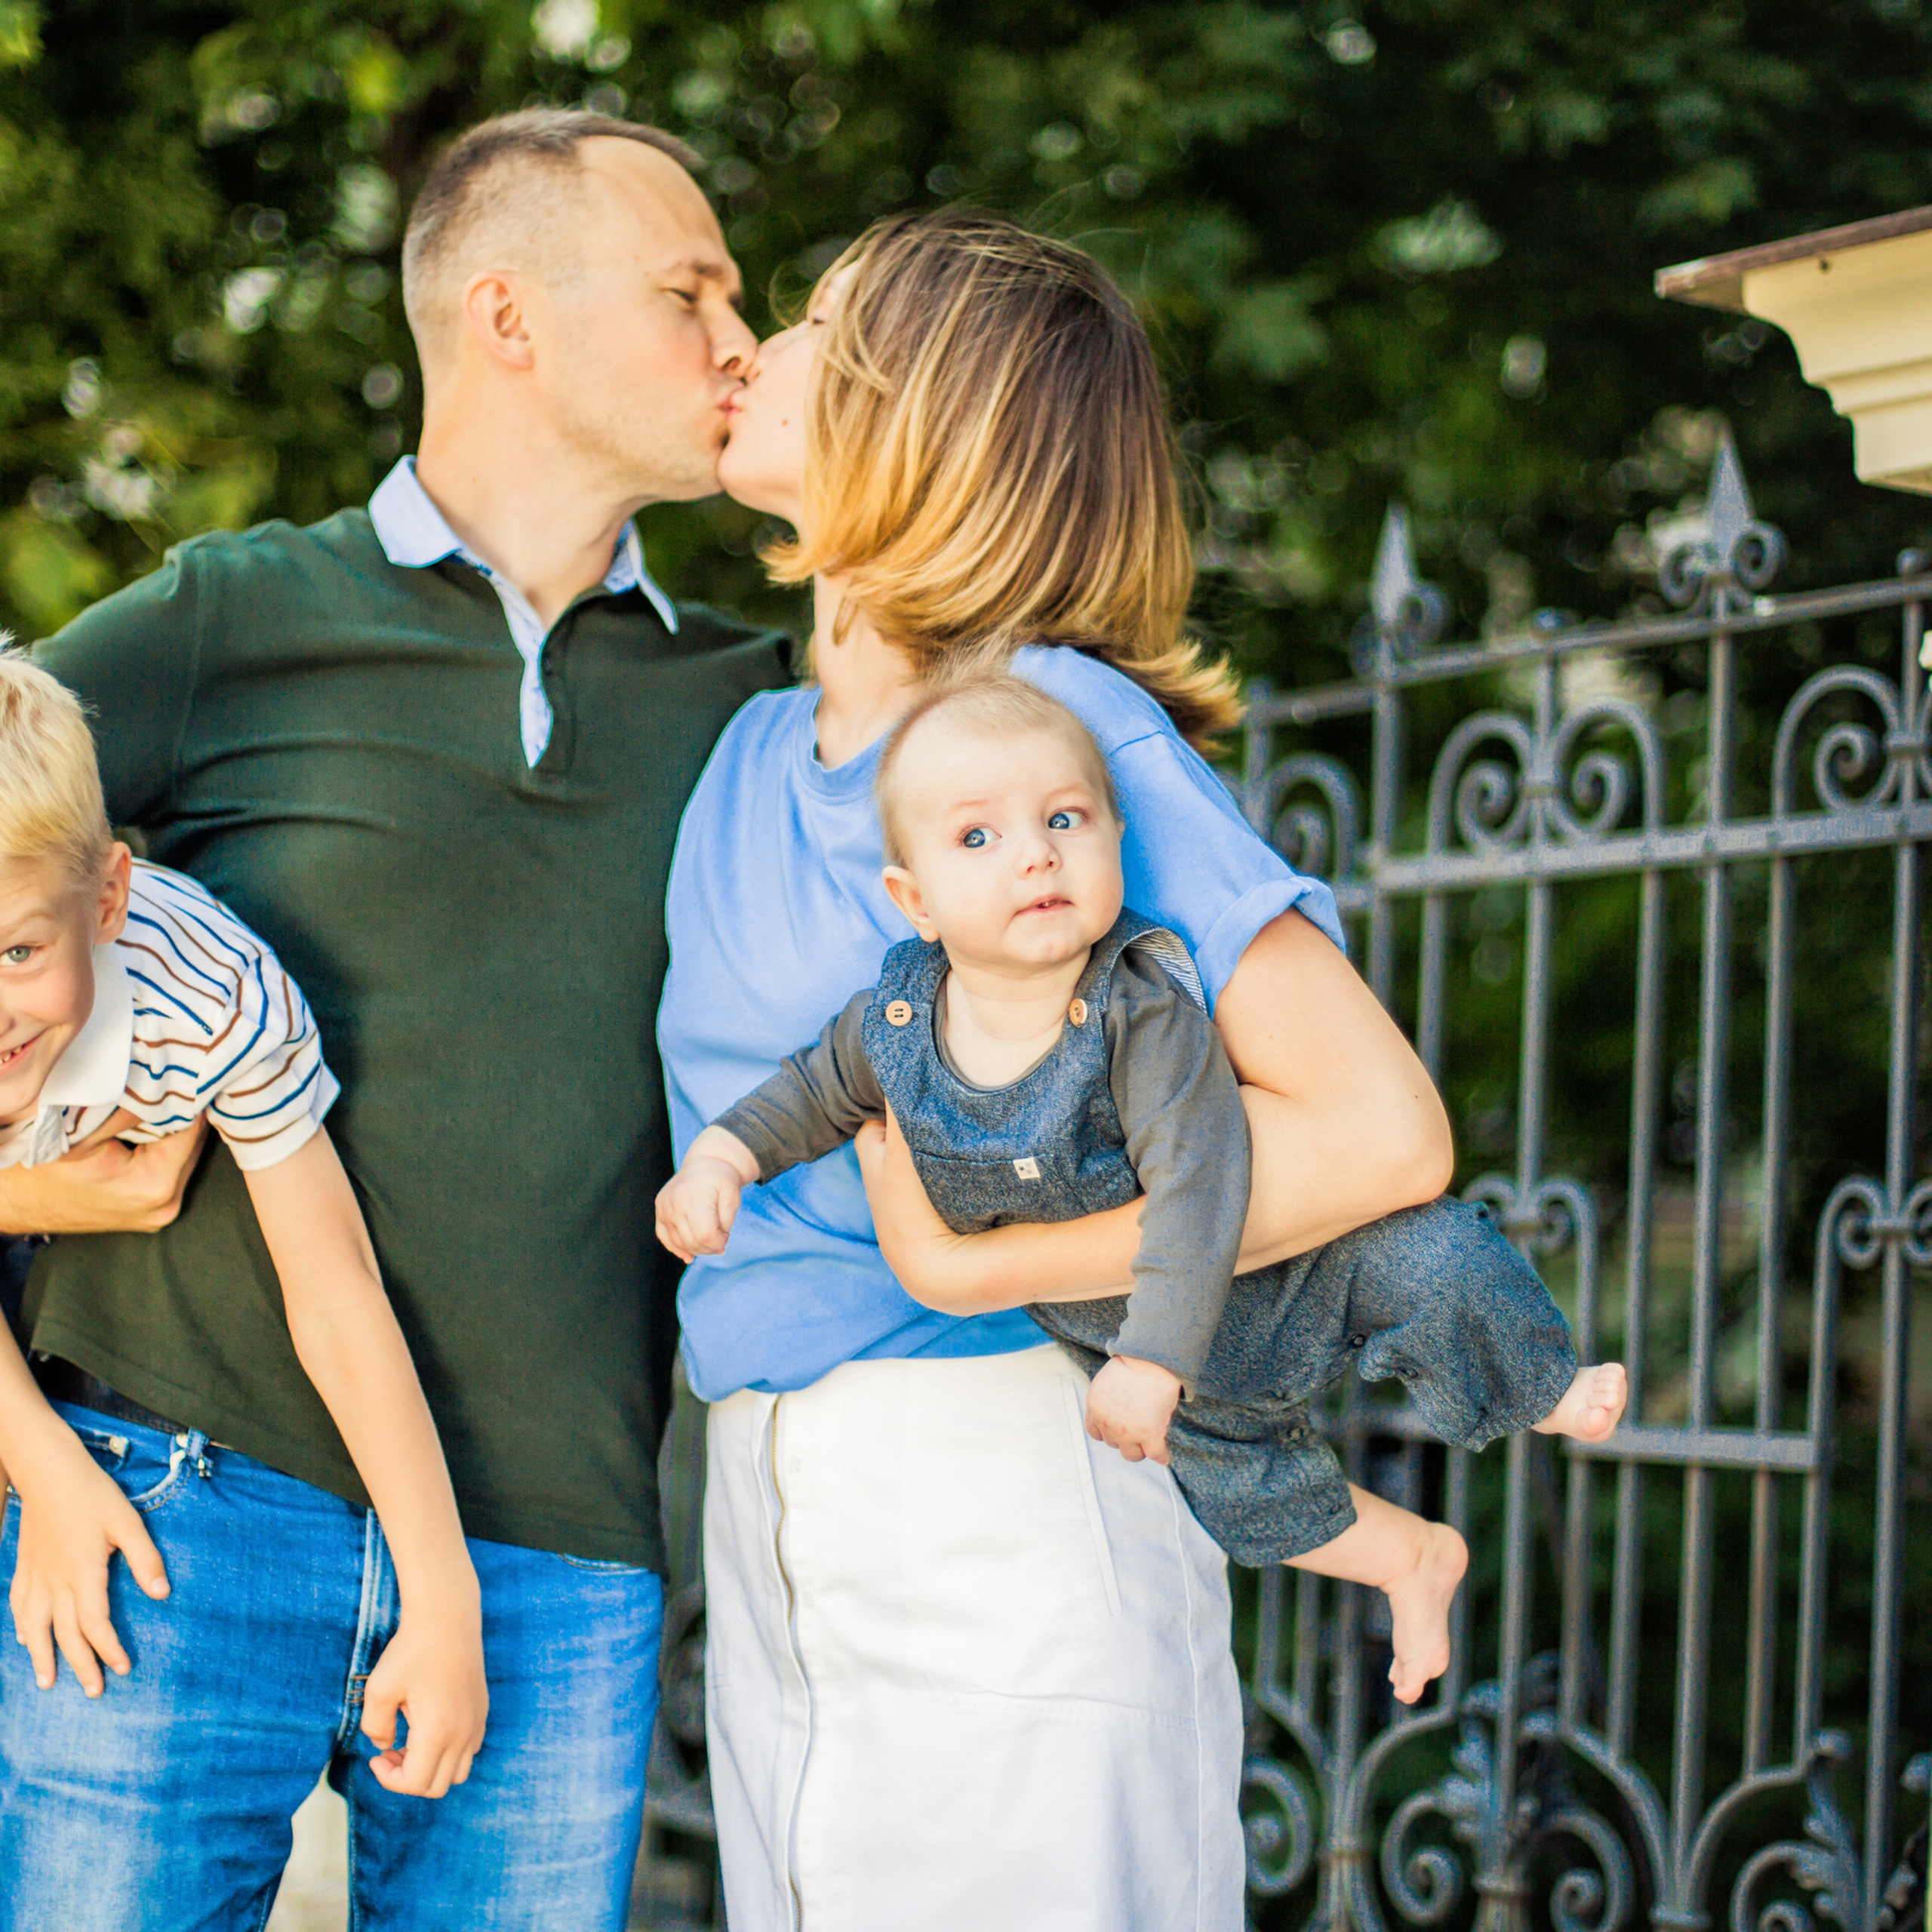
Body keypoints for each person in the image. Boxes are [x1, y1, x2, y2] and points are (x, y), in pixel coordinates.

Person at [0, 109, 786, 1932]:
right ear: (507, 315)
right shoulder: (227, 619)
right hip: (168, 1505)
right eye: (693, 290)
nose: (741, 340)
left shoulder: (755, 710)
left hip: (556, 1553)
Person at [657, 208, 1457, 1931]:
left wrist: (976, 1264)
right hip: (773, 1500)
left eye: (812, 322)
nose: (757, 348)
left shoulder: (1051, 733)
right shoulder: (741, 747)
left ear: (918, 421)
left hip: (1015, 1479)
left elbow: (1378, 1129)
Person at [658, 674, 1629, 1705]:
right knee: (1242, 1493)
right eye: (977, 838)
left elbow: (1199, 1181)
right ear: (915, 900)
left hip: (1275, 1279)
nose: (1035, 852)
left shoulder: (1138, 1009)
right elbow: (808, 1092)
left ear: (1118, 839)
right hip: (1160, 1361)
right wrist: (724, 1159)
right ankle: (1407, 1561)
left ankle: (1540, 1382)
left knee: (1438, 1258)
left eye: (1066, 819)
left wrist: (1155, 1359)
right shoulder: (895, 1022)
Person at [0, 654, 486, 1796]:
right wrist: (48, 1465)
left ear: (110, 897)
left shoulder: (212, 996)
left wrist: (441, 1591)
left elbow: (335, 1290)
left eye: (17, 950)